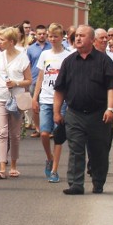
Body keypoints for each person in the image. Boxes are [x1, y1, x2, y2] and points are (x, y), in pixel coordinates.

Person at [53, 25, 113, 195]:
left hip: (99, 113)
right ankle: (76, 184)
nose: (78, 39)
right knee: (76, 149)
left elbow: (112, 87)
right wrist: (56, 112)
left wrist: (111, 108)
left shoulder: (104, 61)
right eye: (76, 36)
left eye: (82, 36)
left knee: (99, 150)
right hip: (74, 113)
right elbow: (59, 89)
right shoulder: (68, 62)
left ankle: (98, 183)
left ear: (92, 40)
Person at [31, 23, 72, 183]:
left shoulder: (67, 56)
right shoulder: (45, 54)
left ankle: (54, 170)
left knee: (59, 136)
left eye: (56, 36)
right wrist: (35, 97)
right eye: (50, 36)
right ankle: (49, 157)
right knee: (44, 133)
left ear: (62, 37)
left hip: (61, 101)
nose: (53, 39)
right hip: (45, 98)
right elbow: (40, 77)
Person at [0, 26, 31, 179]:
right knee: (2, 132)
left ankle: (13, 165)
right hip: (0, 96)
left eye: (2, 39)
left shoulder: (23, 58)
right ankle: (2, 167)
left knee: (14, 134)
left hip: (16, 99)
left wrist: (16, 83)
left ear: (11, 41)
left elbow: (29, 80)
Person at [26, 25, 51, 137]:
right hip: (34, 79)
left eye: (43, 34)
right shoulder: (30, 49)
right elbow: (28, 65)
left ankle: (48, 129)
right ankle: (37, 128)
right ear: (35, 34)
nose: (41, 36)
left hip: (48, 80)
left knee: (48, 104)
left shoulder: (51, 47)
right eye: (39, 34)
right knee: (35, 105)